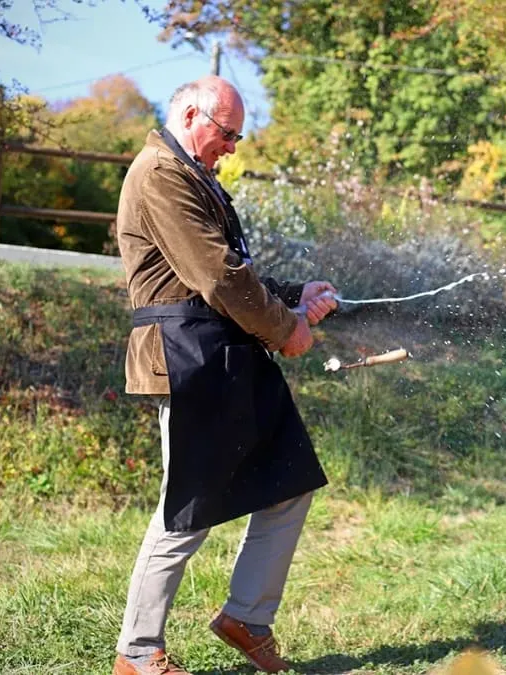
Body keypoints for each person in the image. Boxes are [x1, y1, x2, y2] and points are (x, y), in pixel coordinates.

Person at [111, 75, 338, 675]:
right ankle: (137, 654)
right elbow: (215, 277)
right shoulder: (160, 173)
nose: (233, 147)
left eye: (238, 135)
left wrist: (295, 296)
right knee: (187, 511)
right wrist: (286, 328)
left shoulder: (194, 175)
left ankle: (246, 618)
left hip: (227, 350)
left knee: (290, 482)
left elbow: (233, 272)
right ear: (191, 115)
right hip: (191, 357)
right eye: (228, 133)